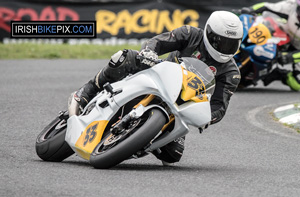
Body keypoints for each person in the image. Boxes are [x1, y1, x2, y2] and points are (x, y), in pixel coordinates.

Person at [70, 11, 243, 165]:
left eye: (231, 44)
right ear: (209, 34)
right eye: (221, 42)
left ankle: (140, 141)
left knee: (173, 156)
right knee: (125, 57)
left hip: (181, 106)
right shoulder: (190, 34)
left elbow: (220, 106)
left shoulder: (231, 73)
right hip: (159, 75)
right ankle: (88, 90)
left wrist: (206, 118)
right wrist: (149, 52)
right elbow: (158, 42)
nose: (225, 49)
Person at [238, 0, 300, 91]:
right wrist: (250, 10)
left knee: (297, 85)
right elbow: (265, 6)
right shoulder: (289, 6)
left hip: (295, 49)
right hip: (277, 32)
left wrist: (290, 57)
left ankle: (280, 75)